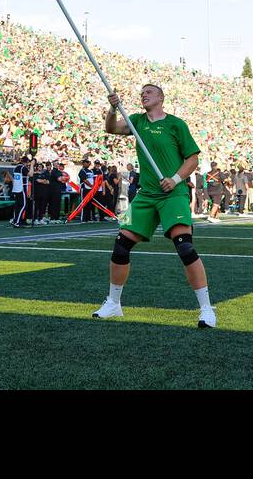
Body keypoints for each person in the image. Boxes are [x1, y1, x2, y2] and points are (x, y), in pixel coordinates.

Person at [93, 84, 216, 328]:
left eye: (149, 92)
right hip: (147, 194)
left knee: (185, 246)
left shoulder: (176, 124)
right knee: (121, 245)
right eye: (141, 93)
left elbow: (192, 159)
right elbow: (110, 128)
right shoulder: (137, 121)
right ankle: (114, 303)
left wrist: (176, 179)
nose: (143, 95)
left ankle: (206, 309)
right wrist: (112, 107)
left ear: (160, 98)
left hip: (173, 194)